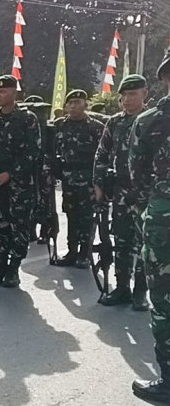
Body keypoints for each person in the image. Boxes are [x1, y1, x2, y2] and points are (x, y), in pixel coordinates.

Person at [130, 55, 170, 402]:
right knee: (164, 300)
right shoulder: (148, 121)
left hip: (160, 212)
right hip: (162, 219)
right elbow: (138, 174)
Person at [0, 75, 41, 287]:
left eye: (3, 92)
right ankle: (1, 265)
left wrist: (11, 173)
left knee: (18, 226)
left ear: (14, 93)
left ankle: (14, 268)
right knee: (0, 225)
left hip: (19, 184)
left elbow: (33, 151)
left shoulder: (27, 118)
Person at [94, 74, 149, 310]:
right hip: (120, 193)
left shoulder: (154, 120)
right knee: (122, 242)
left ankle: (140, 292)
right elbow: (102, 154)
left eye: (133, 94)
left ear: (144, 94)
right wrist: (98, 184)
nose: (127, 100)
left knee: (146, 244)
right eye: (124, 95)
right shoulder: (115, 122)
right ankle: (123, 288)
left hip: (147, 194)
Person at [53, 90, 105, 269]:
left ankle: (85, 254)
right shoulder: (60, 125)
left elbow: (103, 155)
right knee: (71, 216)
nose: (73, 106)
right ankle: (72, 252)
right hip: (68, 179)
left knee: (87, 218)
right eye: (70, 103)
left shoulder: (96, 127)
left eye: (77, 102)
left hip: (88, 179)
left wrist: (99, 180)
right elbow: (52, 151)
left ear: (85, 104)